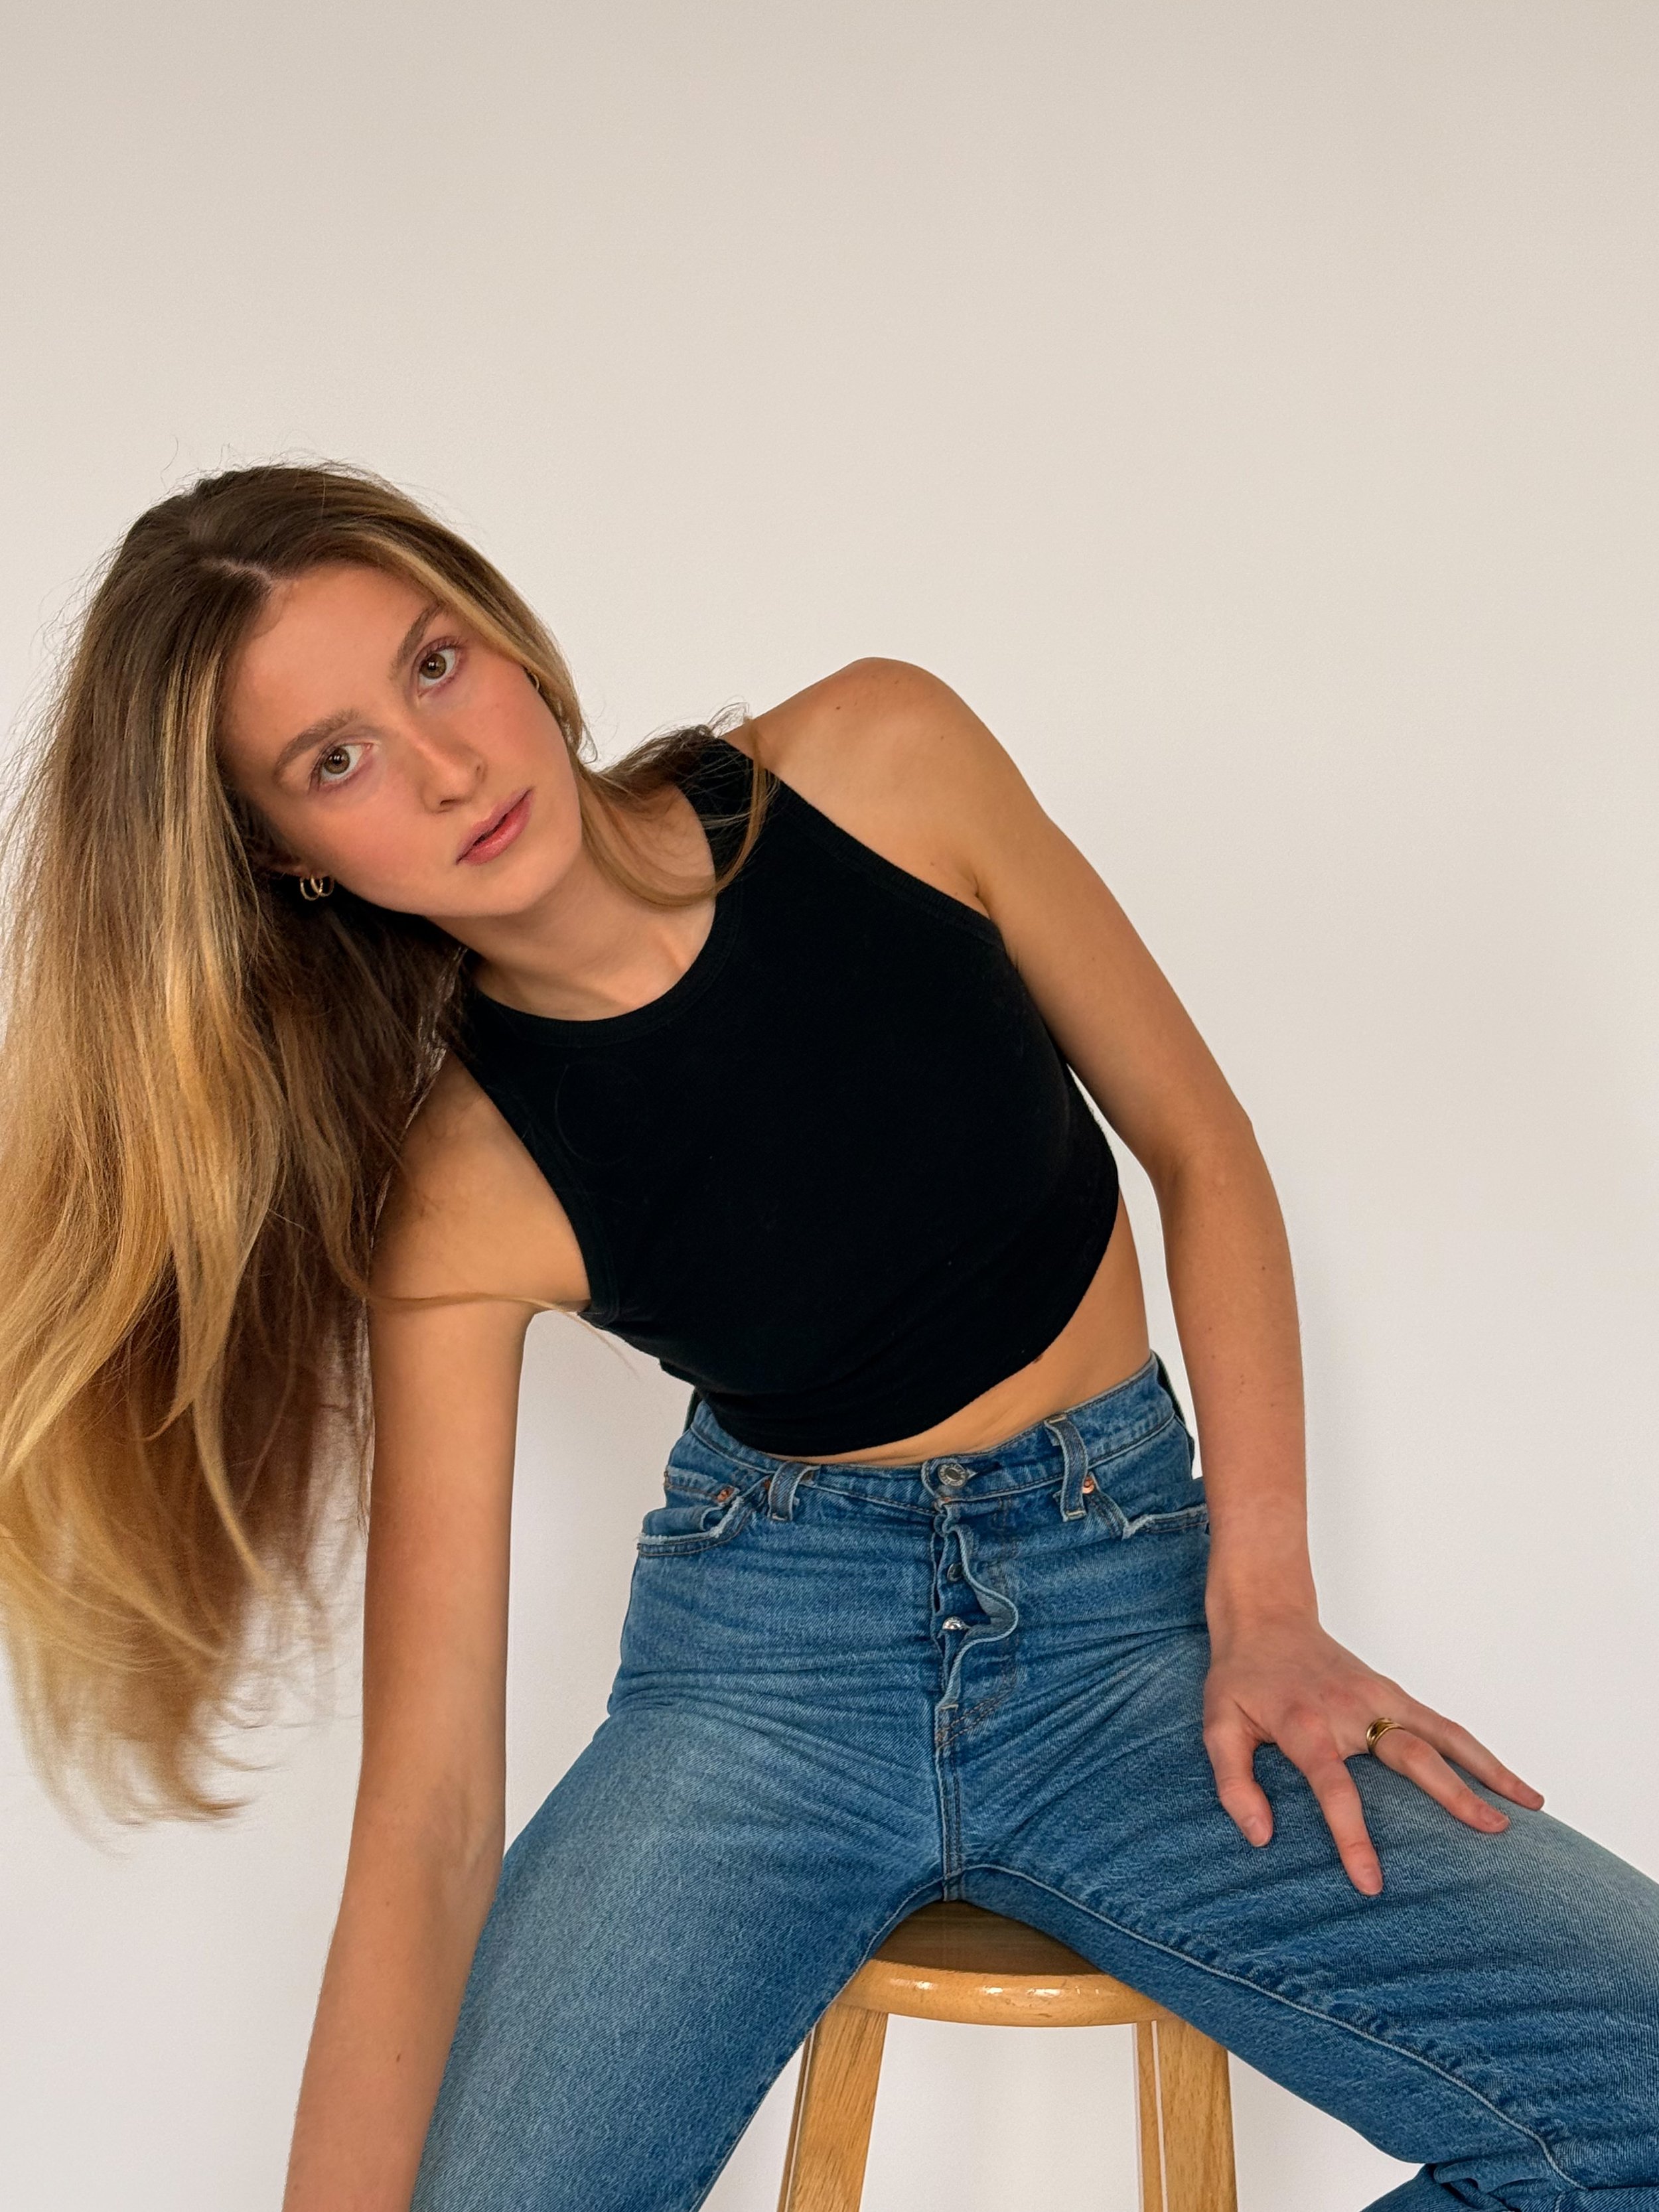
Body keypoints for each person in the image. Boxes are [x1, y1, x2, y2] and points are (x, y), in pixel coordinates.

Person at [0, 461, 1652, 2212]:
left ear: (502, 634)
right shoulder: (462, 1197)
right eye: (335, 762)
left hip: (1127, 1628)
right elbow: (425, 1819)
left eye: (431, 666)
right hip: (764, 1678)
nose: (447, 768)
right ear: (286, 858)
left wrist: (1264, 1604)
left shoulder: (882, 763)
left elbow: (1200, 1145)